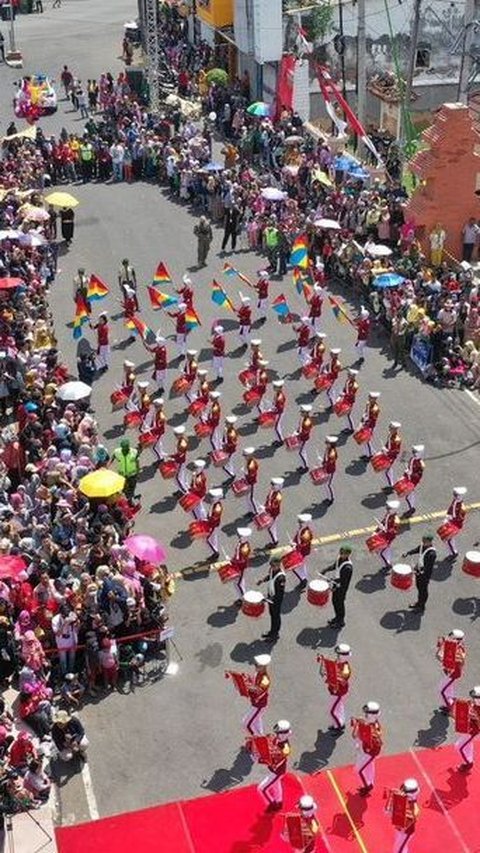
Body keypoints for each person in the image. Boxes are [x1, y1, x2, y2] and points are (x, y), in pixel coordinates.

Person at [255, 719, 291, 811]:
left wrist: (261, 758)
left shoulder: (286, 748)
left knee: (261, 789)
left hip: (277, 771)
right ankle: (279, 802)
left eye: (278, 733)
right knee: (276, 785)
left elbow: (276, 761)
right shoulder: (277, 739)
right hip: (275, 770)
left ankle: (272, 804)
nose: (276, 734)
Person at [351, 701, 383, 796]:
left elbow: (356, 736)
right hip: (365, 749)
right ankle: (370, 782)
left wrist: (358, 725)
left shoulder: (372, 727)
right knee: (369, 767)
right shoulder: (372, 723)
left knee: (358, 770)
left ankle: (366, 787)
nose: (365, 714)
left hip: (369, 752)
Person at [318, 643, 352, 734]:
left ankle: (338, 727)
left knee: (332, 711)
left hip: (338, 693)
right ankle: (340, 722)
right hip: (335, 691)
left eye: (339, 654)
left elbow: (343, 679)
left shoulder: (345, 668)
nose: (337, 655)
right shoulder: (339, 662)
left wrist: (330, 676)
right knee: (339, 708)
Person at [402, 533, 437, 613]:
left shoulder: (432, 554)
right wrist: (408, 553)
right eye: (423, 540)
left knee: (423, 590)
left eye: (425, 541)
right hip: (419, 571)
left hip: (425, 575)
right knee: (418, 587)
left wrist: (420, 572)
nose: (423, 542)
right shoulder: (423, 546)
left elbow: (428, 567)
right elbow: (417, 549)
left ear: (429, 542)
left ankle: (421, 606)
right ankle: (418, 603)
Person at [385, 778, 420, 853]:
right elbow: (387, 811)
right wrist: (391, 796)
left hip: (405, 833)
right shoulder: (402, 802)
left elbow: (409, 820)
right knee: (399, 849)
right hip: (399, 830)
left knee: (398, 850)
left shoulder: (413, 807)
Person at [323, 544, 353, 629]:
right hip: (336, 585)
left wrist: (331, 580)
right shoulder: (340, 559)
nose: (341, 554)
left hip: (341, 589)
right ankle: (337, 618)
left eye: (343, 553)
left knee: (339, 604)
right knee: (334, 602)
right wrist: (325, 570)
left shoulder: (348, 568)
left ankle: (341, 621)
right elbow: (334, 566)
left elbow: (343, 581)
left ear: (348, 554)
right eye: (340, 552)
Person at [436, 629, 466, 712]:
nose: (449, 638)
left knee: (442, 691)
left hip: (453, 674)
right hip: (450, 672)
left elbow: (449, 660)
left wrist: (441, 655)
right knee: (449, 688)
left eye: (452, 638)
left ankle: (448, 707)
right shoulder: (455, 645)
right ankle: (451, 700)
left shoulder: (459, 652)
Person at [258, 557, 286, 642]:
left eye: (273, 566)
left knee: (275, 616)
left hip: (276, 600)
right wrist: (262, 580)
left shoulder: (281, 578)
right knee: (272, 615)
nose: (271, 567)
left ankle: (275, 634)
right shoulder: (272, 570)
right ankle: (272, 631)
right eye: (271, 566)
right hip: (271, 596)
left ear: (278, 565)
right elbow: (270, 576)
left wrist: (268, 599)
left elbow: (279, 593)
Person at [453, 685, 480, 771]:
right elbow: (464, 707)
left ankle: (468, 763)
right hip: (467, 728)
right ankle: (469, 761)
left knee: (459, 747)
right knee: (467, 745)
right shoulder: (472, 703)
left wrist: (477, 718)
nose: (472, 698)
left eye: (474, 696)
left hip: (472, 731)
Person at [243, 654, 271, 735]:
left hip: (259, 705)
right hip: (255, 703)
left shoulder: (265, 680)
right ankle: (261, 738)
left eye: (257, 665)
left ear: (264, 667)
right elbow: (253, 681)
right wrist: (246, 678)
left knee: (246, 724)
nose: (255, 666)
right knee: (256, 721)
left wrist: (247, 686)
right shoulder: (257, 673)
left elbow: (259, 691)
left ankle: (256, 738)